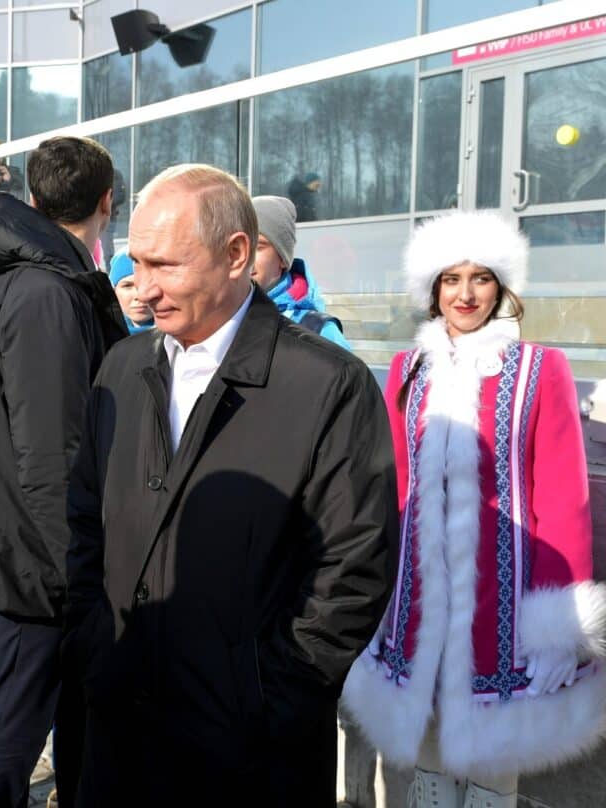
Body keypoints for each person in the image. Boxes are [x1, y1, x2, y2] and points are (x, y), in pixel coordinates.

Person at [63, 164, 397, 806]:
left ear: (237, 254)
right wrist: (96, 643)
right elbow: (84, 523)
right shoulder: (122, 367)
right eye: (134, 264)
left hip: (251, 755)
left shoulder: (327, 384)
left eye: (164, 266)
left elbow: (353, 569)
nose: (141, 288)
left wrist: (267, 691)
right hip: (119, 732)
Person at [340, 210, 606, 808]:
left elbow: (563, 496)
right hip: (416, 600)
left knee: (494, 773)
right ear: (433, 290)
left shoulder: (542, 370)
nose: (465, 294)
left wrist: (560, 624)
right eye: (451, 279)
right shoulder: (406, 369)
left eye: (481, 278)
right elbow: (392, 488)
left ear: (503, 287)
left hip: (506, 603)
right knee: (428, 765)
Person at [0, 135, 128, 808]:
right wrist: (75, 568)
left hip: (21, 541)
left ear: (39, 200)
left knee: (48, 703)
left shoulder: (19, 277)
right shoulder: (46, 291)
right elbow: (51, 451)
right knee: (18, 713)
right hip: (38, 556)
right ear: (107, 202)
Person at [250, 195, 350, 349]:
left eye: (258, 247)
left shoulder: (317, 330)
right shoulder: (222, 320)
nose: (244, 257)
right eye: (236, 247)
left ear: (283, 258)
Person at [108, 249, 154, 334]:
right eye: (127, 286)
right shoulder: (104, 337)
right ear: (114, 292)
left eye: (146, 285)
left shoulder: (178, 337)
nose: (138, 296)